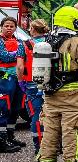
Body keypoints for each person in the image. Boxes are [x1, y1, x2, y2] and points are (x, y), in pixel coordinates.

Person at [37, 7, 78, 162]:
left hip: (50, 96)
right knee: (72, 131)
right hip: (73, 95)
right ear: (74, 22)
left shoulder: (47, 42)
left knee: (50, 131)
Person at [23, 19, 49, 153]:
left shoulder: (27, 44)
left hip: (32, 83)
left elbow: (20, 66)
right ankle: (55, 144)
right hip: (50, 82)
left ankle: (39, 146)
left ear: (33, 29)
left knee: (36, 115)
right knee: (53, 114)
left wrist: (21, 81)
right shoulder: (51, 42)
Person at [0, 16, 25, 153]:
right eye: (6, 26)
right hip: (4, 78)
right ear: (2, 27)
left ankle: (10, 136)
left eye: (12, 26)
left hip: (17, 78)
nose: (9, 28)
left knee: (15, 108)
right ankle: (1, 140)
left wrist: (17, 52)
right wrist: (20, 52)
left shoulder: (18, 41)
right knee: (4, 107)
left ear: (15, 28)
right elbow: (4, 56)